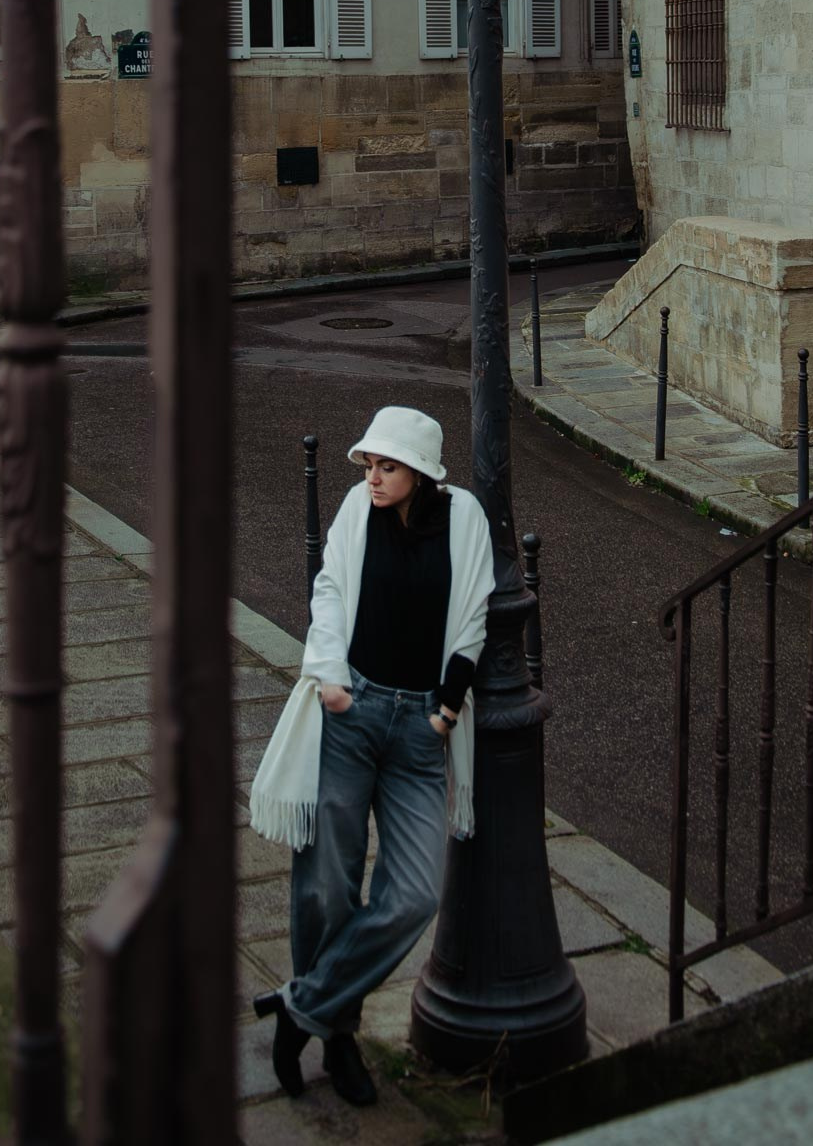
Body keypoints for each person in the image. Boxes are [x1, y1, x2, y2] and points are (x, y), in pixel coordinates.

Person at [249, 406, 495, 1106]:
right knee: (326, 886)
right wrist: (328, 677)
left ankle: (302, 1008)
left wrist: (449, 705)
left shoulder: (465, 517)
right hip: (352, 713)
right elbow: (329, 588)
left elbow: (475, 605)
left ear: (419, 471)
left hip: (423, 727)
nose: (372, 475)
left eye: (387, 465)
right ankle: (340, 1036)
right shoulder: (359, 509)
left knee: (416, 890)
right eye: (370, 464)